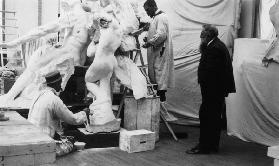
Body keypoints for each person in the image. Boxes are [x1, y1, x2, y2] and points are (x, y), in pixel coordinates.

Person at [0, 0, 94, 106]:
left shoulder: (74, 16)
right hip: (79, 60)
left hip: (67, 55)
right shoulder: (91, 19)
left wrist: (14, 43)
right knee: (40, 58)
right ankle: (13, 96)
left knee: (32, 68)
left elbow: (43, 30)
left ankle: (9, 97)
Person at [186, 24, 235, 154]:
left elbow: (211, 73)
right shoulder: (216, 45)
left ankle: (205, 146)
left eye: (202, 35)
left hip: (213, 92)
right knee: (212, 118)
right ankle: (209, 145)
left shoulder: (214, 48)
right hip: (215, 92)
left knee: (208, 117)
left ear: (207, 36)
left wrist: (205, 86)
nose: (201, 38)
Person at [28, 70, 88, 138]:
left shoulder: (38, 95)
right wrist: (84, 113)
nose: (60, 87)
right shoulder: (54, 99)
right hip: (46, 139)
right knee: (77, 137)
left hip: (33, 134)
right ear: (57, 83)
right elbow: (73, 119)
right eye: (60, 83)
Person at [142, 0, 174, 102]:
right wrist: (147, 37)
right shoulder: (156, 18)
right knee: (157, 77)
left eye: (147, 10)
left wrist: (150, 42)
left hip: (160, 53)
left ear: (153, 7)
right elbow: (156, 32)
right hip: (157, 53)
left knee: (160, 78)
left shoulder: (161, 17)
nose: (147, 13)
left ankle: (160, 104)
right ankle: (159, 105)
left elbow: (161, 35)